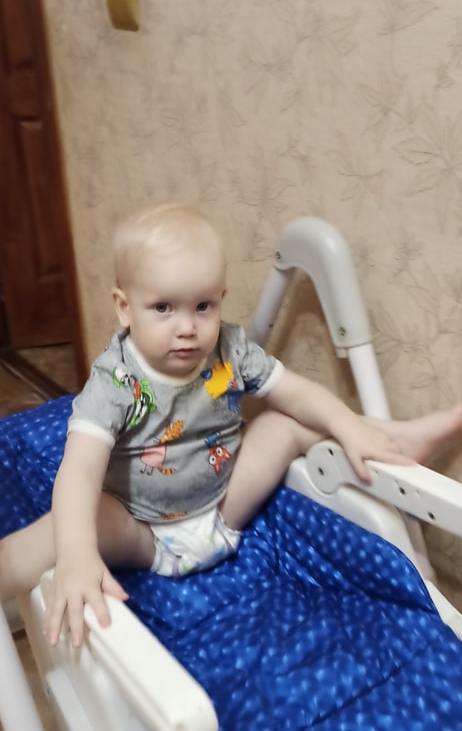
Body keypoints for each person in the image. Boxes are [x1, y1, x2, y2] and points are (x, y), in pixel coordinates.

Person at [1, 201, 462, 648]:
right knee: (73, 521)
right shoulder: (116, 379)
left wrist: (347, 426)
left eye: (202, 306)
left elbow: (296, 392)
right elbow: (80, 467)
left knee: (283, 423)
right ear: (124, 307)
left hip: (224, 511)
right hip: (142, 530)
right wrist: (78, 552)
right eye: (163, 308)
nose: (187, 327)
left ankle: (388, 437)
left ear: (220, 299)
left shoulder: (229, 348)